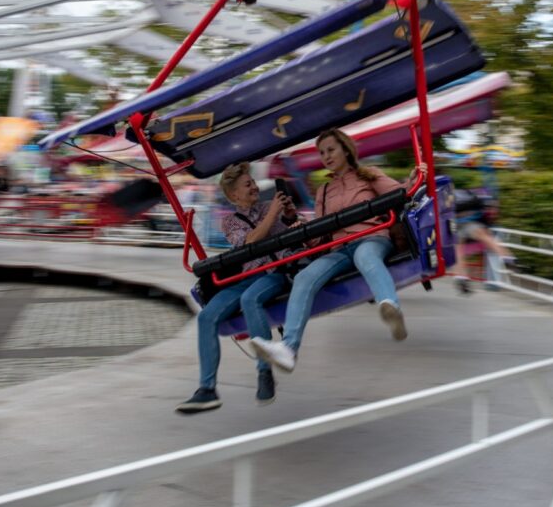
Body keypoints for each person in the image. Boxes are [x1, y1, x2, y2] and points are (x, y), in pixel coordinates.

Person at [251, 128, 424, 373]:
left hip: (371, 237)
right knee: (304, 276)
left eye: (331, 149)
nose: (326, 156)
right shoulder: (323, 191)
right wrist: (298, 225)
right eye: (322, 152)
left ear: (345, 149)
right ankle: (289, 348)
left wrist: (416, 177)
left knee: (366, 256)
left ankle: (390, 307)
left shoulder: (369, 175)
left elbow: (402, 193)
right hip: (340, 249)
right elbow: (320, 235)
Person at [175, 162, 298, 414]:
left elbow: (294, 228)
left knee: (251, 299)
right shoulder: (230, 222)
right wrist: (274, 213)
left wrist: (288, 214)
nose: (253, 187)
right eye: (247, 184)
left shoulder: (268, 207)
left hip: (274, 271)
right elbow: (250, 243)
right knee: (207, 317)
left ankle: (264, 373)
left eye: (252, 182)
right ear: (234, 195)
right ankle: (206, 388)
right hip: (247, 274)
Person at [449, 188, 515, 295]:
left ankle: (460, 277)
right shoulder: (475, 195)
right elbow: (488, 213)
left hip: (455, 227)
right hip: (471, 225)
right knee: (485, 236)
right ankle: (508, 258)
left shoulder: (451, 198)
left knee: (457, 249)